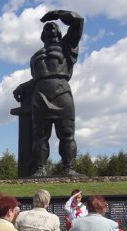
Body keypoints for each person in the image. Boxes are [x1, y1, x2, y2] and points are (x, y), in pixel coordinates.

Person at [29, 10, 84, 176]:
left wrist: (58, 15)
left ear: (60, 33)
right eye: (46, 27)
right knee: (39, 135)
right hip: (40, 94)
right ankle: (40, 168)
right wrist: (23, 87)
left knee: (67, 134)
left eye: (53, 27)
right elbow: (37, 78)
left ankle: (69, 168)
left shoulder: (67, 46)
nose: (50, 28)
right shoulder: (35, 56)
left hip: (61, 91)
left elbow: (78, 21)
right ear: (42, 34)